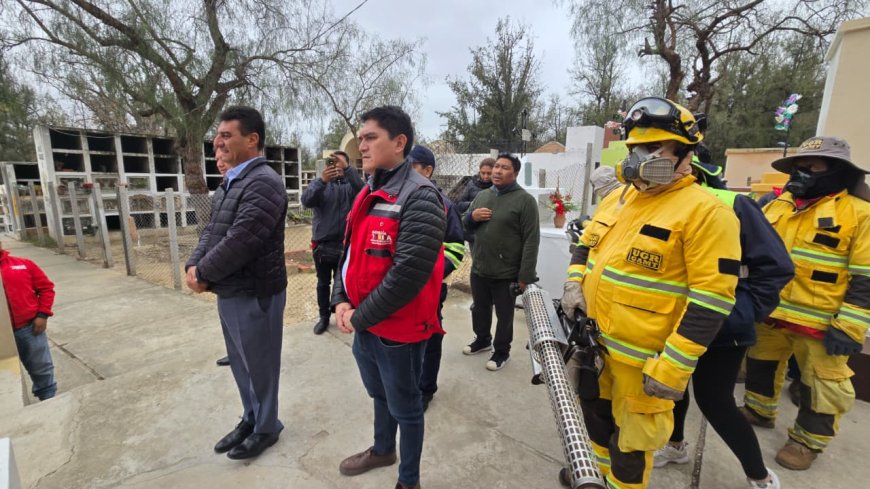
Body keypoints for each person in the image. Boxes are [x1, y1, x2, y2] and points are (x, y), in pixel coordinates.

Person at [560, 97, 741, 489]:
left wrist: (674, 368)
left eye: (653, 149)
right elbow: (586, 245)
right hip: (596, 345)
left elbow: (712, 300)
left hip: (644, 365)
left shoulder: (707, 214)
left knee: (632, 446)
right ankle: (594, 476)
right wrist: (574, 282)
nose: (639, 157)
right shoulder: (618, 198)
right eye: (635, 149)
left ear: (684, 154)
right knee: (594, 418)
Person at [653, 156, 794, 489]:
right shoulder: (658, 205)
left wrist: (739, 313)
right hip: (677, 323)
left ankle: (759, 476)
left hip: (723, 327)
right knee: (670, 389)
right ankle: (675, 446)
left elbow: (777, 267)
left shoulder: (733, 204)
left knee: (715, 401)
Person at [331, 106, 446, 489]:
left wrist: (359, 316)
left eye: (370, 138)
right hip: (364, 322)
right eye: (361, 138)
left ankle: (408, 480)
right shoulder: (369, 191)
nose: (361, 145)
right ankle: (383, 449)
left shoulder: (421, 196)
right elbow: (347, 254)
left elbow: (407, 276)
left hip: (397, 329)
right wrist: (341, 300)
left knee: (407, 407)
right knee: (379, 393)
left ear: (399, 143)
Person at [741, 136, 870, 471]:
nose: (801, 174)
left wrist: (852, 324)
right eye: (798, 167)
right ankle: (759, 410)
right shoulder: (775, 205)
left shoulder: (860, 214)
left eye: (812, 167)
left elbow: (866, 278)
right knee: (761, 364)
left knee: (822, 385)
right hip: (770, 312)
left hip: (823, 324)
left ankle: (806, 442)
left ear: (836, 171)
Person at [185, 106, 288, 460]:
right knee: (241, 362)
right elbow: (214, 230)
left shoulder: (265, 182)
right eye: (218, 135)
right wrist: (194, 264)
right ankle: (250, 416)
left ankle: (266, 426)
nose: (219, 142)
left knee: (260, 364)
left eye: (227, 135)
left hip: (254, 291)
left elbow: (243, 239)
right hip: (230, 290)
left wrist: (204, 274)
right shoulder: (232, 181)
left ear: (252, 139)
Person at [463, 152, 539, 371]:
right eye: (496, 166)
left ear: (515, 173)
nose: (497, 171)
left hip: (506, 273)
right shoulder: (483, 196)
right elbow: (464, 224)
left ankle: (502, 351)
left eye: (504, 167)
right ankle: (483, 340)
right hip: (480, 267)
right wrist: (471, 217)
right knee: (479, 308)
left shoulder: (525, 201)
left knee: (504, 315)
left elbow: (531, 241)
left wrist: (525, 275)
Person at [406, 144, 465, 412]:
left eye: (412, 166)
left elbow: (455, 247)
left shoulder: (444, 205)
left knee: (430, 337)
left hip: (429, 289)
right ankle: (406, 383)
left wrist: (431, 276)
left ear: (427, 171)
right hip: (400, 289)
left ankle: (426, 389)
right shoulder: (397, 199)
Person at [301, 150, 364, 335]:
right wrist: (321, 181)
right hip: (322, 245)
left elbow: (363, 192)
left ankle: (345, 316)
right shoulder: (321, 184)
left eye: (340, 163)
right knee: (323, 283)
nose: (335, 166)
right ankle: (323, 317)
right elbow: (306, 201)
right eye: (332, 162)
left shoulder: (351, 186)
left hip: (345, 245)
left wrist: (349, 170)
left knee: (345, 283)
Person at [1, 241, 57, 401]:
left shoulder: (23, 265)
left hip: (28, 328)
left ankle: (48, 399)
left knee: (42, 368)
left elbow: (46, 288)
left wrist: (42, 315)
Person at [455, 158, 494, 248]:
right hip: (472, 232)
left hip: (490, 233)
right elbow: (459, 204)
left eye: (489, 173)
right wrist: (473, 204)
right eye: (483, 173)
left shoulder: (498, 186)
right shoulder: (472, 184)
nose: (485, 176)